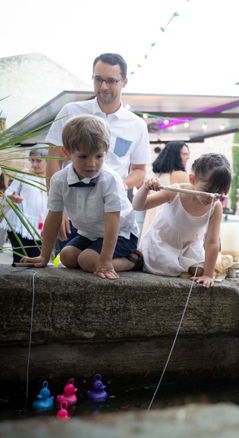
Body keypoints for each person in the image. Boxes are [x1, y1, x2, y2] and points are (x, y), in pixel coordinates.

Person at [45, 53, 150, 241]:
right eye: (98, 79)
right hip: (73, 212)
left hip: (112, 214)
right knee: (67, 263)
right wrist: (57, 209)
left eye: (111, 81)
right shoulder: (71, 111)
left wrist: (117, 185)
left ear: (124, 81)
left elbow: (140, 171)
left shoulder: (137, 124)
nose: (103, 87)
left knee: (99, 263)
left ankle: (132, 259)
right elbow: (53, 161)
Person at [21, 115, 141, 279]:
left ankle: (133, 260)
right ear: (67, 152)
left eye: (98, 156)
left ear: (106, 152)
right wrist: (44, 255)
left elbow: (113, 220)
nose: (91, 164)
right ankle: (97, 256)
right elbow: (53, 217)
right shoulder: (59, 179)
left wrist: (105, 261)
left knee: (88, 260)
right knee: (67, 256)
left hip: (122, 233)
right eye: (83, 156)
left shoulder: (110, 179)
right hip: (90, 233)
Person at [133, 153, 231, 288]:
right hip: (163, 243)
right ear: (192, 179)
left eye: (220, 194)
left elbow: (212, 242)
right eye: (208, 191)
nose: (212, 197)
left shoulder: (215, 206)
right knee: (165, 266)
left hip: (190, 247)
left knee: (201, 270)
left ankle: (187, 267)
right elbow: (139, 206)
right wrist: (145, 188)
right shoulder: (175, 192)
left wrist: (208, 274)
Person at [0, 148, 48, 264]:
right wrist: (13, 197)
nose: (34, 164)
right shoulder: (24, 174)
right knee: (20, 259)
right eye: (32, 161)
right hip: (20, 224)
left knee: (36, 259)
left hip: (41, 227)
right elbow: (8, 192)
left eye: (38, 161)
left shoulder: (52, 178)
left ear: (47, 161)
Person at [140, 141, 190, 238]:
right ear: (174, 156)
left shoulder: (157, 175)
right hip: (167, 222)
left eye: (188, 154)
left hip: (151, 219)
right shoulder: (179, 174)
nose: (187, 157)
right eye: (184, 154)